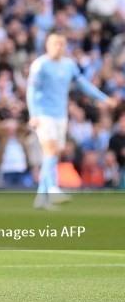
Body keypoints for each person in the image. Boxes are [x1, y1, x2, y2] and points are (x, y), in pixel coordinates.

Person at [27, 32, 117, 209]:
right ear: (47, 46)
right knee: (51, 151)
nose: (58, 47)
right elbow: (31, 90)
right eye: (54, 44)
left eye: (61, 44)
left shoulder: (69, 65)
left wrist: (103, 98)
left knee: (52, 154)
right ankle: (53, 188)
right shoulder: (40, 65)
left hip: (61, 115)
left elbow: (83, 84)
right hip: (44, 114)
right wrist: (33, 114)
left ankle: (41, 197)